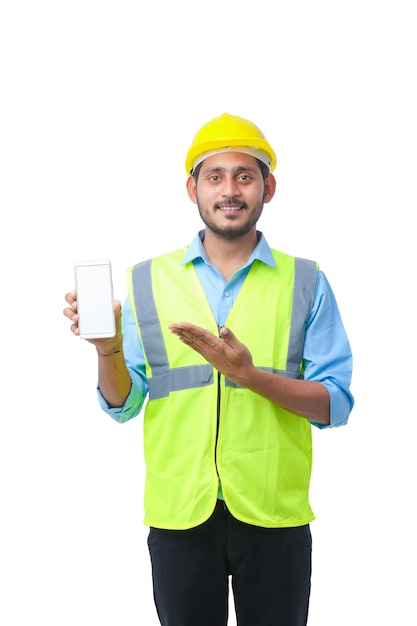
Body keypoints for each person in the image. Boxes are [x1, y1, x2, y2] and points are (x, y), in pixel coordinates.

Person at [64, 112, 354, 626]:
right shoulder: (147, 280)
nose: (230, 190)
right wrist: (105, 349)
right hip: (179, 510)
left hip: (274, 512)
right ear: (192, 188)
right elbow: (123, 406)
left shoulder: (306, 280)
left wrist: (249, 377)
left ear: (268, 187)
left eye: (245, 176)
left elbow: (335, 405)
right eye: (215, 177)